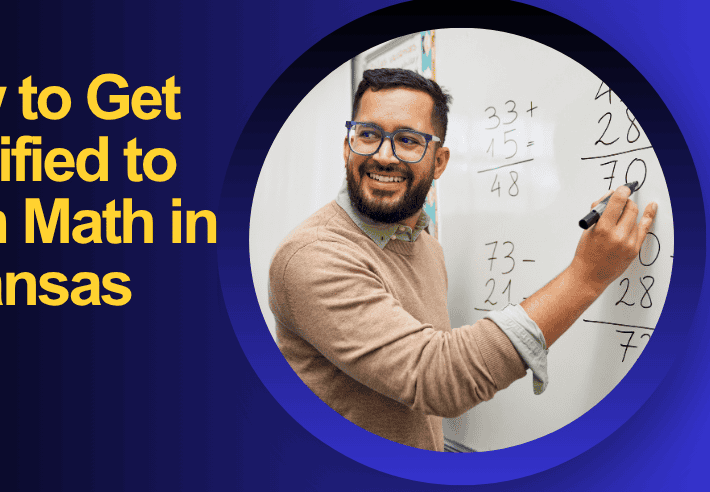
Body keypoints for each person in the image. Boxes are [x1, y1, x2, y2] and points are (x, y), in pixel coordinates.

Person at [267, 68, 658, 451]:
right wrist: (586, 276)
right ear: (346, 146)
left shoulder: (425, 246)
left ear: (439, 161)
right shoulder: (312, 256)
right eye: (367, 135)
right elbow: (437, 377)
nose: (383, 156)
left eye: (407, 140)